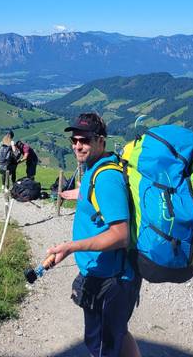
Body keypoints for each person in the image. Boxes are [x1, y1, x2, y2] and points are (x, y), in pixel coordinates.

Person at [47, 113, 142, 357]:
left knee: (101, 347)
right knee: (118, 334)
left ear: (101, 141)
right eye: (74, 140)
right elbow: (98, 199)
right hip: (110, 274)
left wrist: (72, 247)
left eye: (85, 140)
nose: (78, 145)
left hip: (110, 280)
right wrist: (79, 193)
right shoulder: (95, 168)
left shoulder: (105, 177)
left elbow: (121, 235)